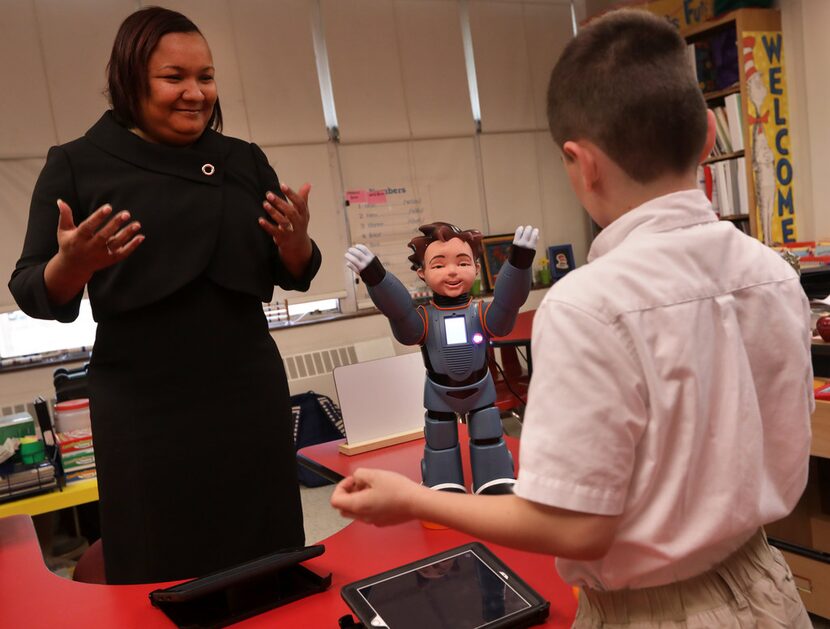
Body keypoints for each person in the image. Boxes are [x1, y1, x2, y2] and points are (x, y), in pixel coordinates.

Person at [331, 9, 813, 627]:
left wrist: (416, 500)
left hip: (652, 612)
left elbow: (577, 529)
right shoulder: (776, 273)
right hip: (768, 585)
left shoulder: (586, 305)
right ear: (704, 142)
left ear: (581, 163)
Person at [9, 7, 321, 584]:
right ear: (131, 79)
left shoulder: (243, 160)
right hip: (144, 404)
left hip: (247, 389)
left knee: (266, 553)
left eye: (205, 77)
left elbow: (293, 269)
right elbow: (30, 287)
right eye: (174, 77)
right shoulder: (78, 164)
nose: (195, 93)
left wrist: (295, 244)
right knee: (163, 564)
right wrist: (72, 265)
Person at [345, 223, 538, 495]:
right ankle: (443, 481)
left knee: (488, 436)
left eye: (462, 262)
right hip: (438, 392)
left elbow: (507, 307)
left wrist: (519, 262)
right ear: (422, 273)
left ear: (477, 268)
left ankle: (493, 478)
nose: (451, 271)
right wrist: (375, 276)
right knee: (440, 442)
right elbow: (401, 316)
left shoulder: (480, 313)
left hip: (480, 389)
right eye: (438, 265)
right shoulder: (424, 318)